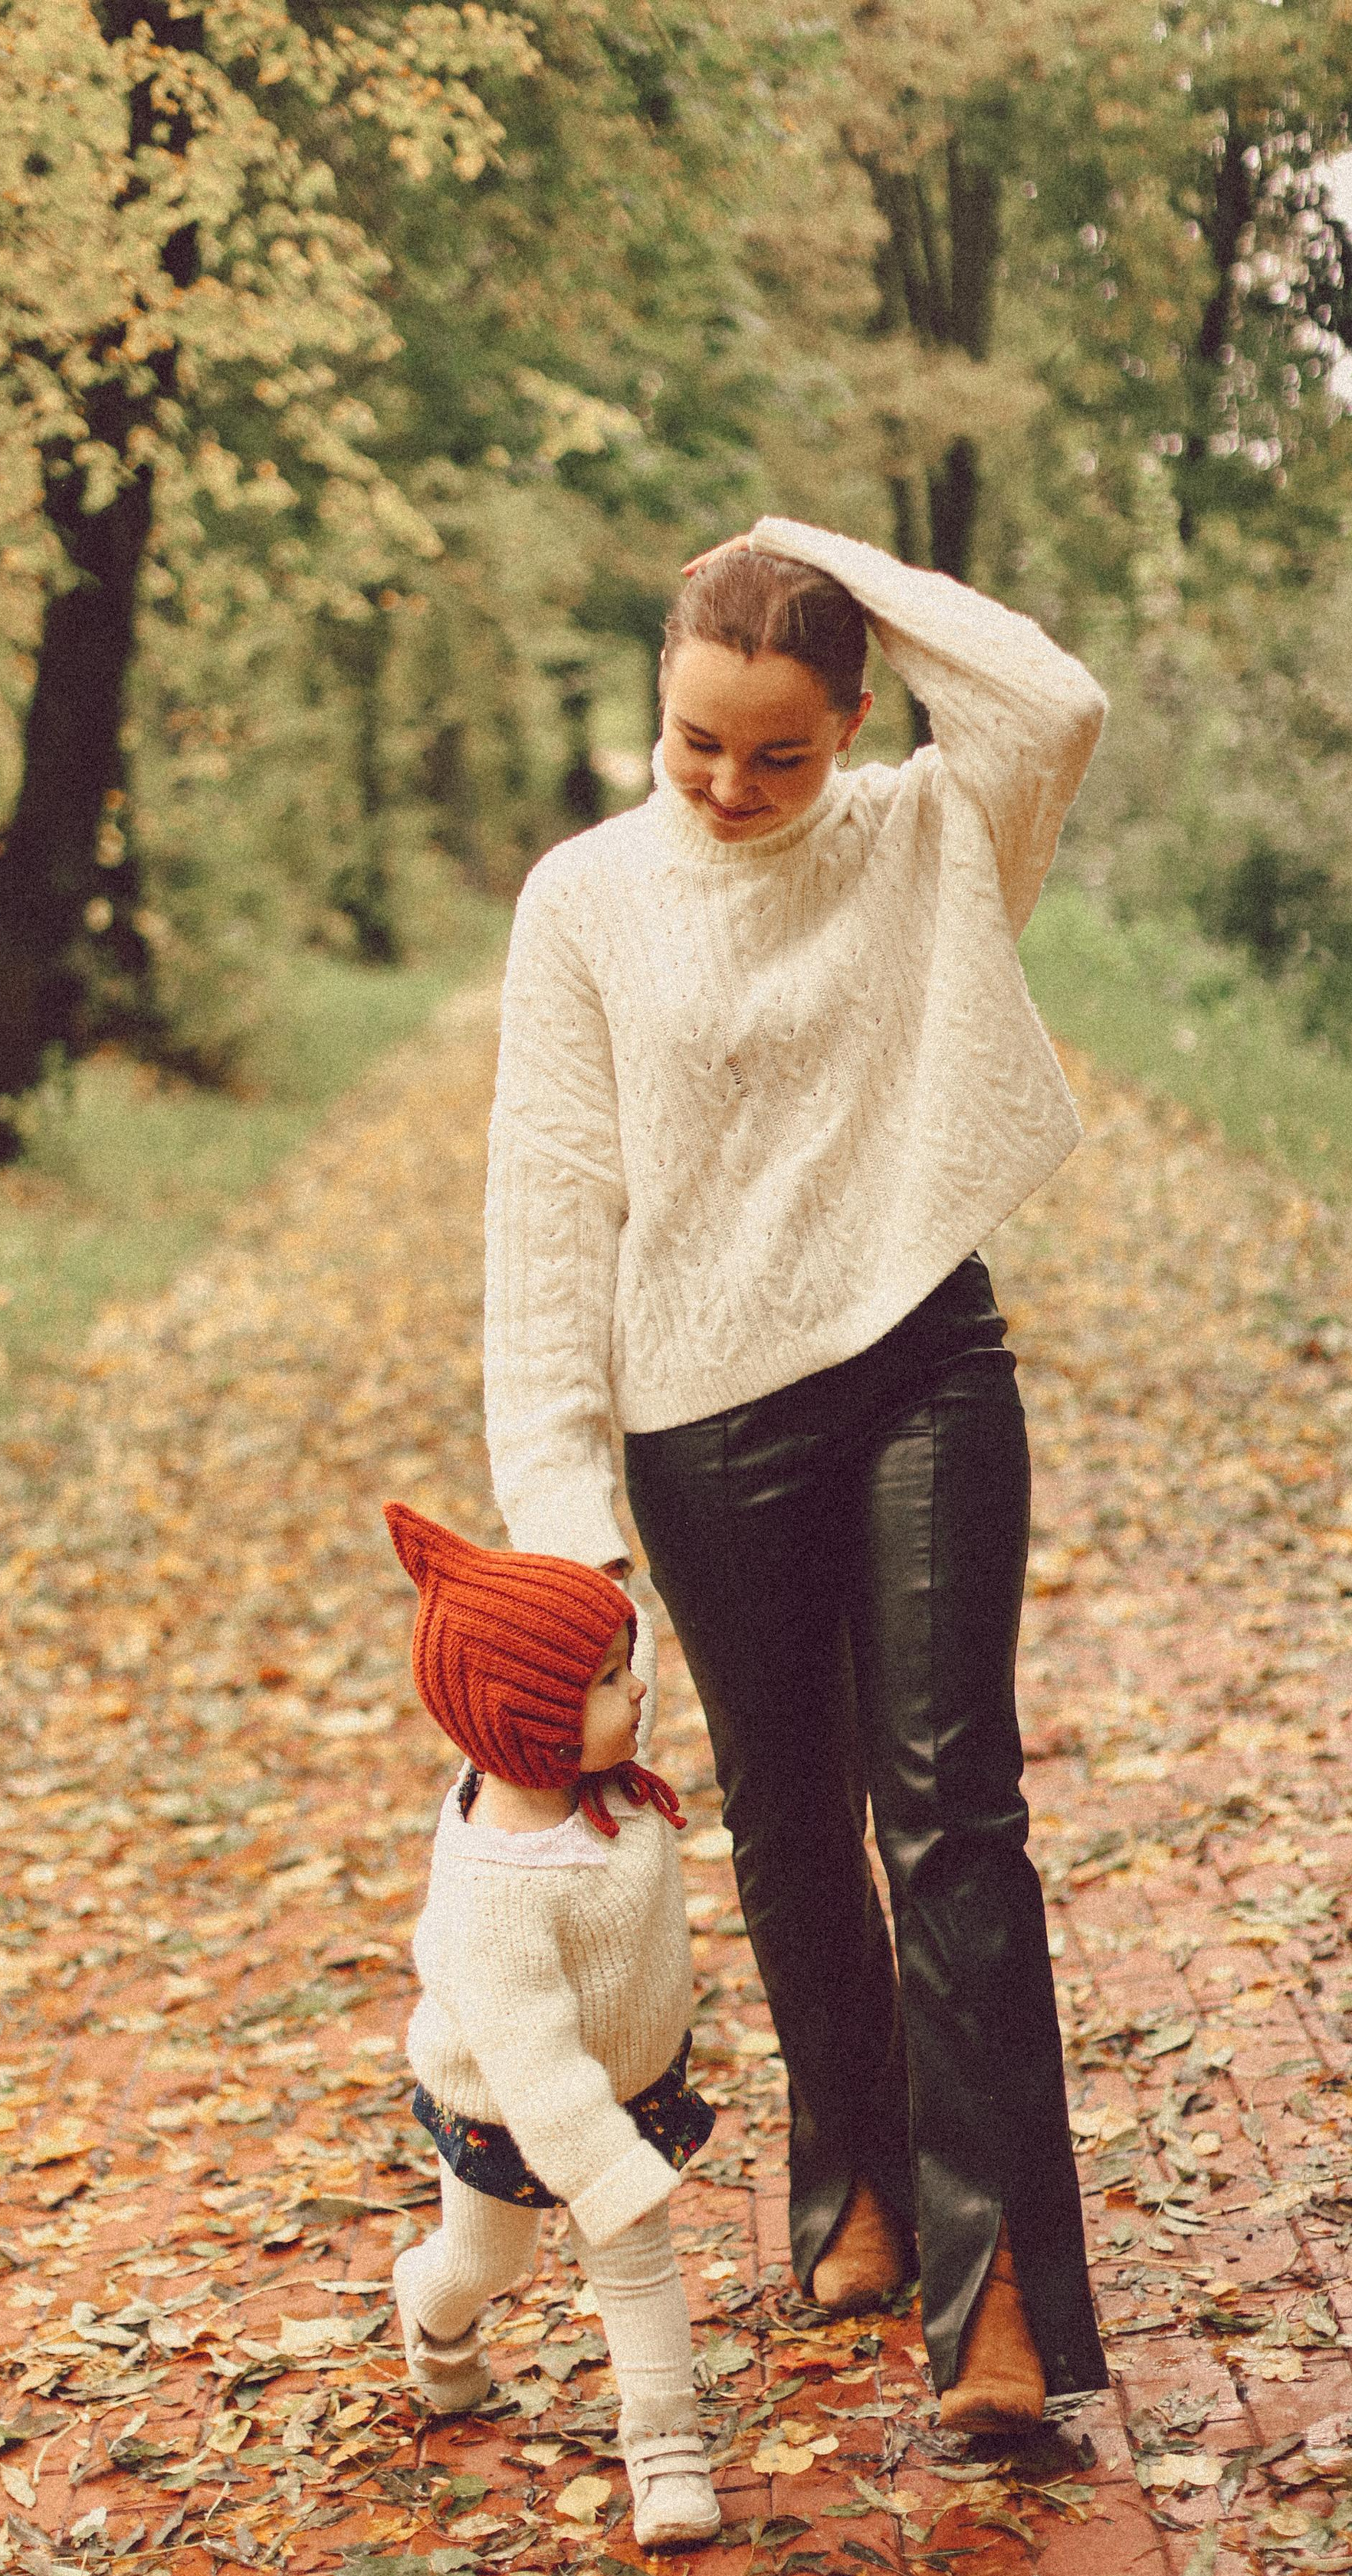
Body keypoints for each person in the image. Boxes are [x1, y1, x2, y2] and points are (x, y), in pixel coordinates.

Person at [481, 517, 1110, 2430]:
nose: (734, 787)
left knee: (952, 1811)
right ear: (653, 704)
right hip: (699, 1417)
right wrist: (562, 1529)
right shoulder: (582, 901)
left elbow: (1051, 698)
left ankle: (993, 2290)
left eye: (781, 747)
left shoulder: (927, 835)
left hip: (924, 1362)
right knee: (786, 1817)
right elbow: (550, 1210)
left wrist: (795, 548)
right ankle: (849, 2183)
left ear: (854, 719)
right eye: (695, 743)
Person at [383, 1500, 721, 2547]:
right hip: (514, 2107)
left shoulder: (591, 1774)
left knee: (636, 2264)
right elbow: (534, 2068)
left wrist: (614, 1588)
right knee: (490, 2261)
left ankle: (665, 2446)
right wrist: (607, 2173)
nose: (640, 1690)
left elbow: (611, 1647)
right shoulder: (500, 1896)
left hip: (626, 2082)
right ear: (534, 1725)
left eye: (629, 1665)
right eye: (614, 1682)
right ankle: (430, 2309)